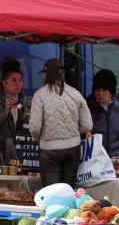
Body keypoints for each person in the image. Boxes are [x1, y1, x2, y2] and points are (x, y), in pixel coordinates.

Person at [29, 58, 92, 186]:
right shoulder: (75, 94)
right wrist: (72, 132)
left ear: (46, 74)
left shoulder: (40, 95)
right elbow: (87, 125)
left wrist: (42, 138)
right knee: (68, 191)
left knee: (52, 192)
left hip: (49, 150)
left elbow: (35, 128)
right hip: (73, 149)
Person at [86, 68, 119, 157]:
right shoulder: (87, 110)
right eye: (97, 89)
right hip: (95, 162)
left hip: (115, 162)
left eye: (104, 90)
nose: (100, 93)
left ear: (111, 91)